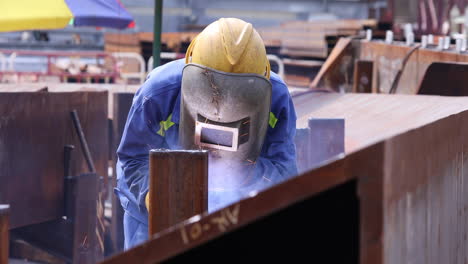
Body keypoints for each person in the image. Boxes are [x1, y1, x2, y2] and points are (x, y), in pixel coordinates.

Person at [115, 17, 298, 250]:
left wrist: (237, 183)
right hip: (148, 216)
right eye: (214, 94)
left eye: (238, 97)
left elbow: (285, 171)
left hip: (236, 213)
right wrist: (155, 194)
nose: (224, 105)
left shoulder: (277, 97)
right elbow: (133, 158)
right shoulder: (159, 92)